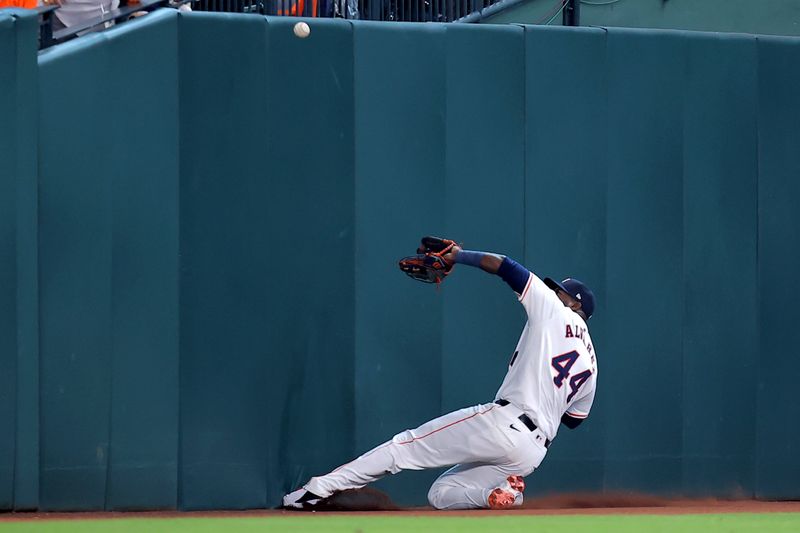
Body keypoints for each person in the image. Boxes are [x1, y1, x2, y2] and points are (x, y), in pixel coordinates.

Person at [283, 242, 598, 510]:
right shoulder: (593, 364)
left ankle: (316, 490)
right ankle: (499, 495)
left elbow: (505, 266)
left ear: (574, 304)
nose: (554, 292)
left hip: (506, 422)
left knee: (404, 448)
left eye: (561, 291)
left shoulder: (556, 311)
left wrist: (457, 255)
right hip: (530, 453)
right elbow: (574, 419)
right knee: (441, 494)